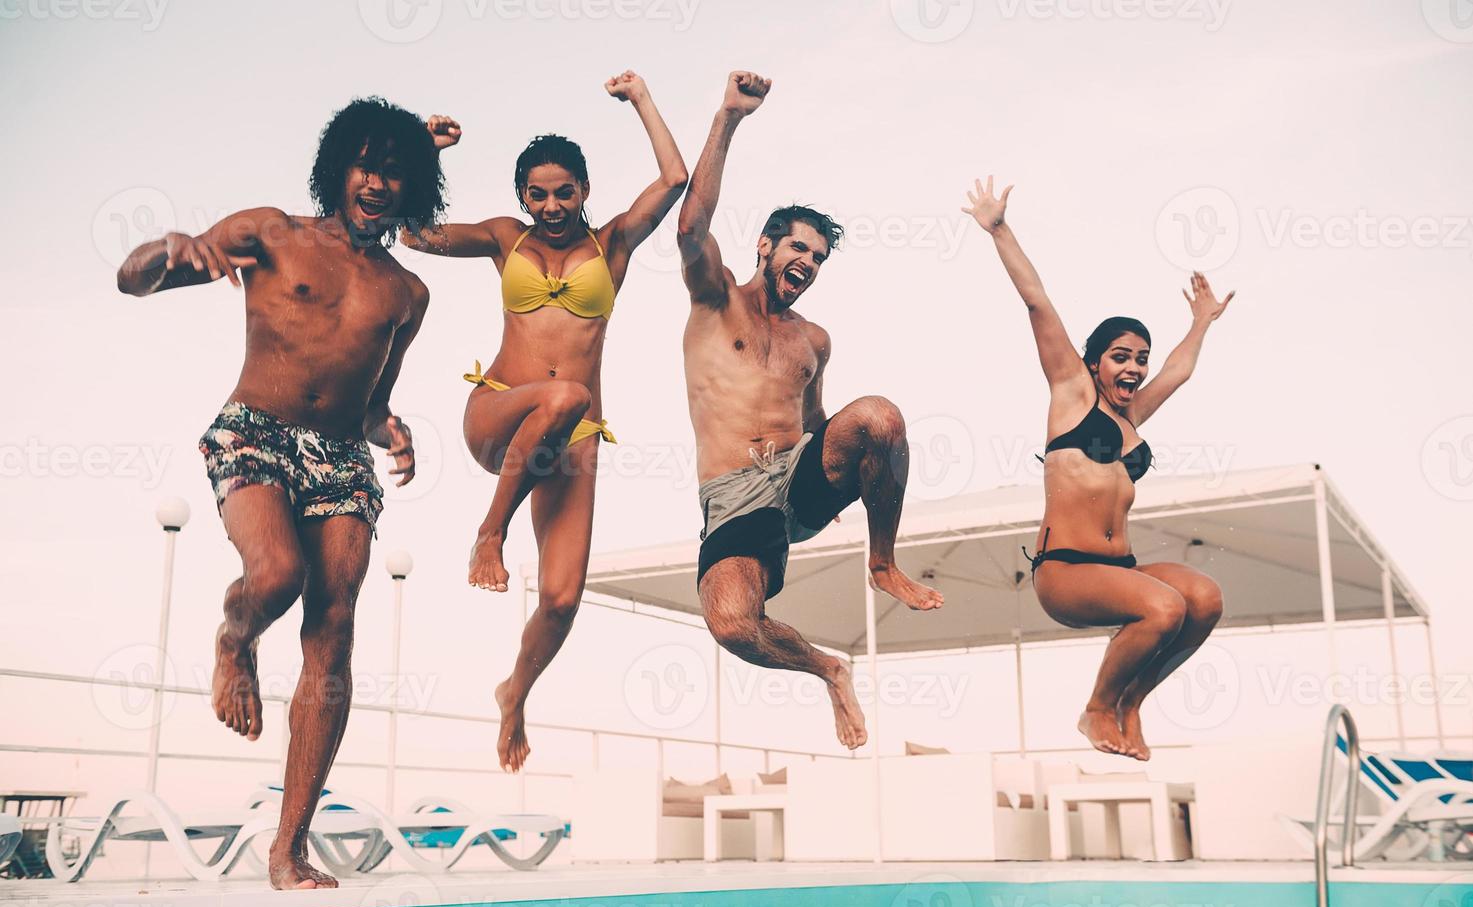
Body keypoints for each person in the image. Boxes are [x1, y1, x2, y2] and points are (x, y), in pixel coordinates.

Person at [116, 97, 444, 888]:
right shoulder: (268, 231)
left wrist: (389, 428)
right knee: (275, 577)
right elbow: (134, 283)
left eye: (394, 171)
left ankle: (289, 845)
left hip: (338, 456)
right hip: (255, 431)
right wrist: (165, 250)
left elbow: (368, 402)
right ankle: (235, 640)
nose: (377, 182)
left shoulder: (407, 293)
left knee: (334, 627)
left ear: (413, 189)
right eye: (366, 164)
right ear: (340, 168)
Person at [401, 71, 687, 772]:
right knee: (564, 397)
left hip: (571, 444)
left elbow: (675, 178)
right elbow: (414, 234)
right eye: (538, 192)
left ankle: (514, 692)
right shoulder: (505, 238)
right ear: (521, 198)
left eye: (565, 191)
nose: (552, 203)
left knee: (561, 599)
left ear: (585, 191)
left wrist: (640, 99)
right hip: (500, 412)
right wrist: (425, 153)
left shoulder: (613, 244)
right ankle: (488, 533)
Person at [677, 71, 944, 752]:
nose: (807, 262)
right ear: (765, 245)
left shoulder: (812, 339)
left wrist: (865, 465)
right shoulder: (714, 303)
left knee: (879, 416)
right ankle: (827, 668)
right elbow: (690, 224)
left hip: (795, 475)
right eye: (798, 248)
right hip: (734, 497)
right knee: (734, 626)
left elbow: (824, 422)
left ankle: (881, 561)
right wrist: (728, 118)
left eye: (818, 258)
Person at [964, 176, 1235, 761]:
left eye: (1140, 358)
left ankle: (1131, 701)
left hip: (1121, 568)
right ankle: (1095, 710)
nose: (1135, 367)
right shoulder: (1071, 393)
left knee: (1204, 598)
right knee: (1163, 607)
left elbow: (1178, 372)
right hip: (1065, 574)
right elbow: (1038, 300)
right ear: (1093, 362)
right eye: (1121, 357)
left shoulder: (1132, 416)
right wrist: (1000, 229)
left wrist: (1202, 321)